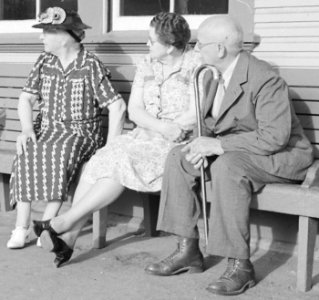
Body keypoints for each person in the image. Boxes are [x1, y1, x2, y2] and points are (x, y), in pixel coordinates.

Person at [145, 15, 314, 296]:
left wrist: (218, 146)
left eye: (201, 43)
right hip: (245, 150)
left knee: (227, 166)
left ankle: (240, 266)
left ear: (220, 49)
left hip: (283, 155)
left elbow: (274, 137)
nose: (196, 48)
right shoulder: (215, 75)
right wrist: (200, 143)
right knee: (179, 156)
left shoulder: (264, 79)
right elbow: (216, 122)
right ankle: (187, 249)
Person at [32, 12, 203, 267]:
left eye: (151, 41)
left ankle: (66, 223)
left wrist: (168, 130)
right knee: (101, 158)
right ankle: (68, 235)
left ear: (169, 47)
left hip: (176, 145)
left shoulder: (196, 67)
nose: (146, 44)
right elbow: (134, 110)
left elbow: (195, 113)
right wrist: (159, 126)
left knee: (121, 161)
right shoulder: (147, 65)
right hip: (145, 135)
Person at [7, 7, 126, 249]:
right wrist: (27, 129)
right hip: (48, 129)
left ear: (64, 36)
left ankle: (48, 224)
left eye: (46, 32)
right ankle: (21, 227)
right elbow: (26, 99)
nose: (41, 38)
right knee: (26, 151)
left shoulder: (89, 65)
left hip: (80, 133)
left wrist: (111, 148)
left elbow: (117, 106)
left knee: (59, 154)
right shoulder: (44, 61)